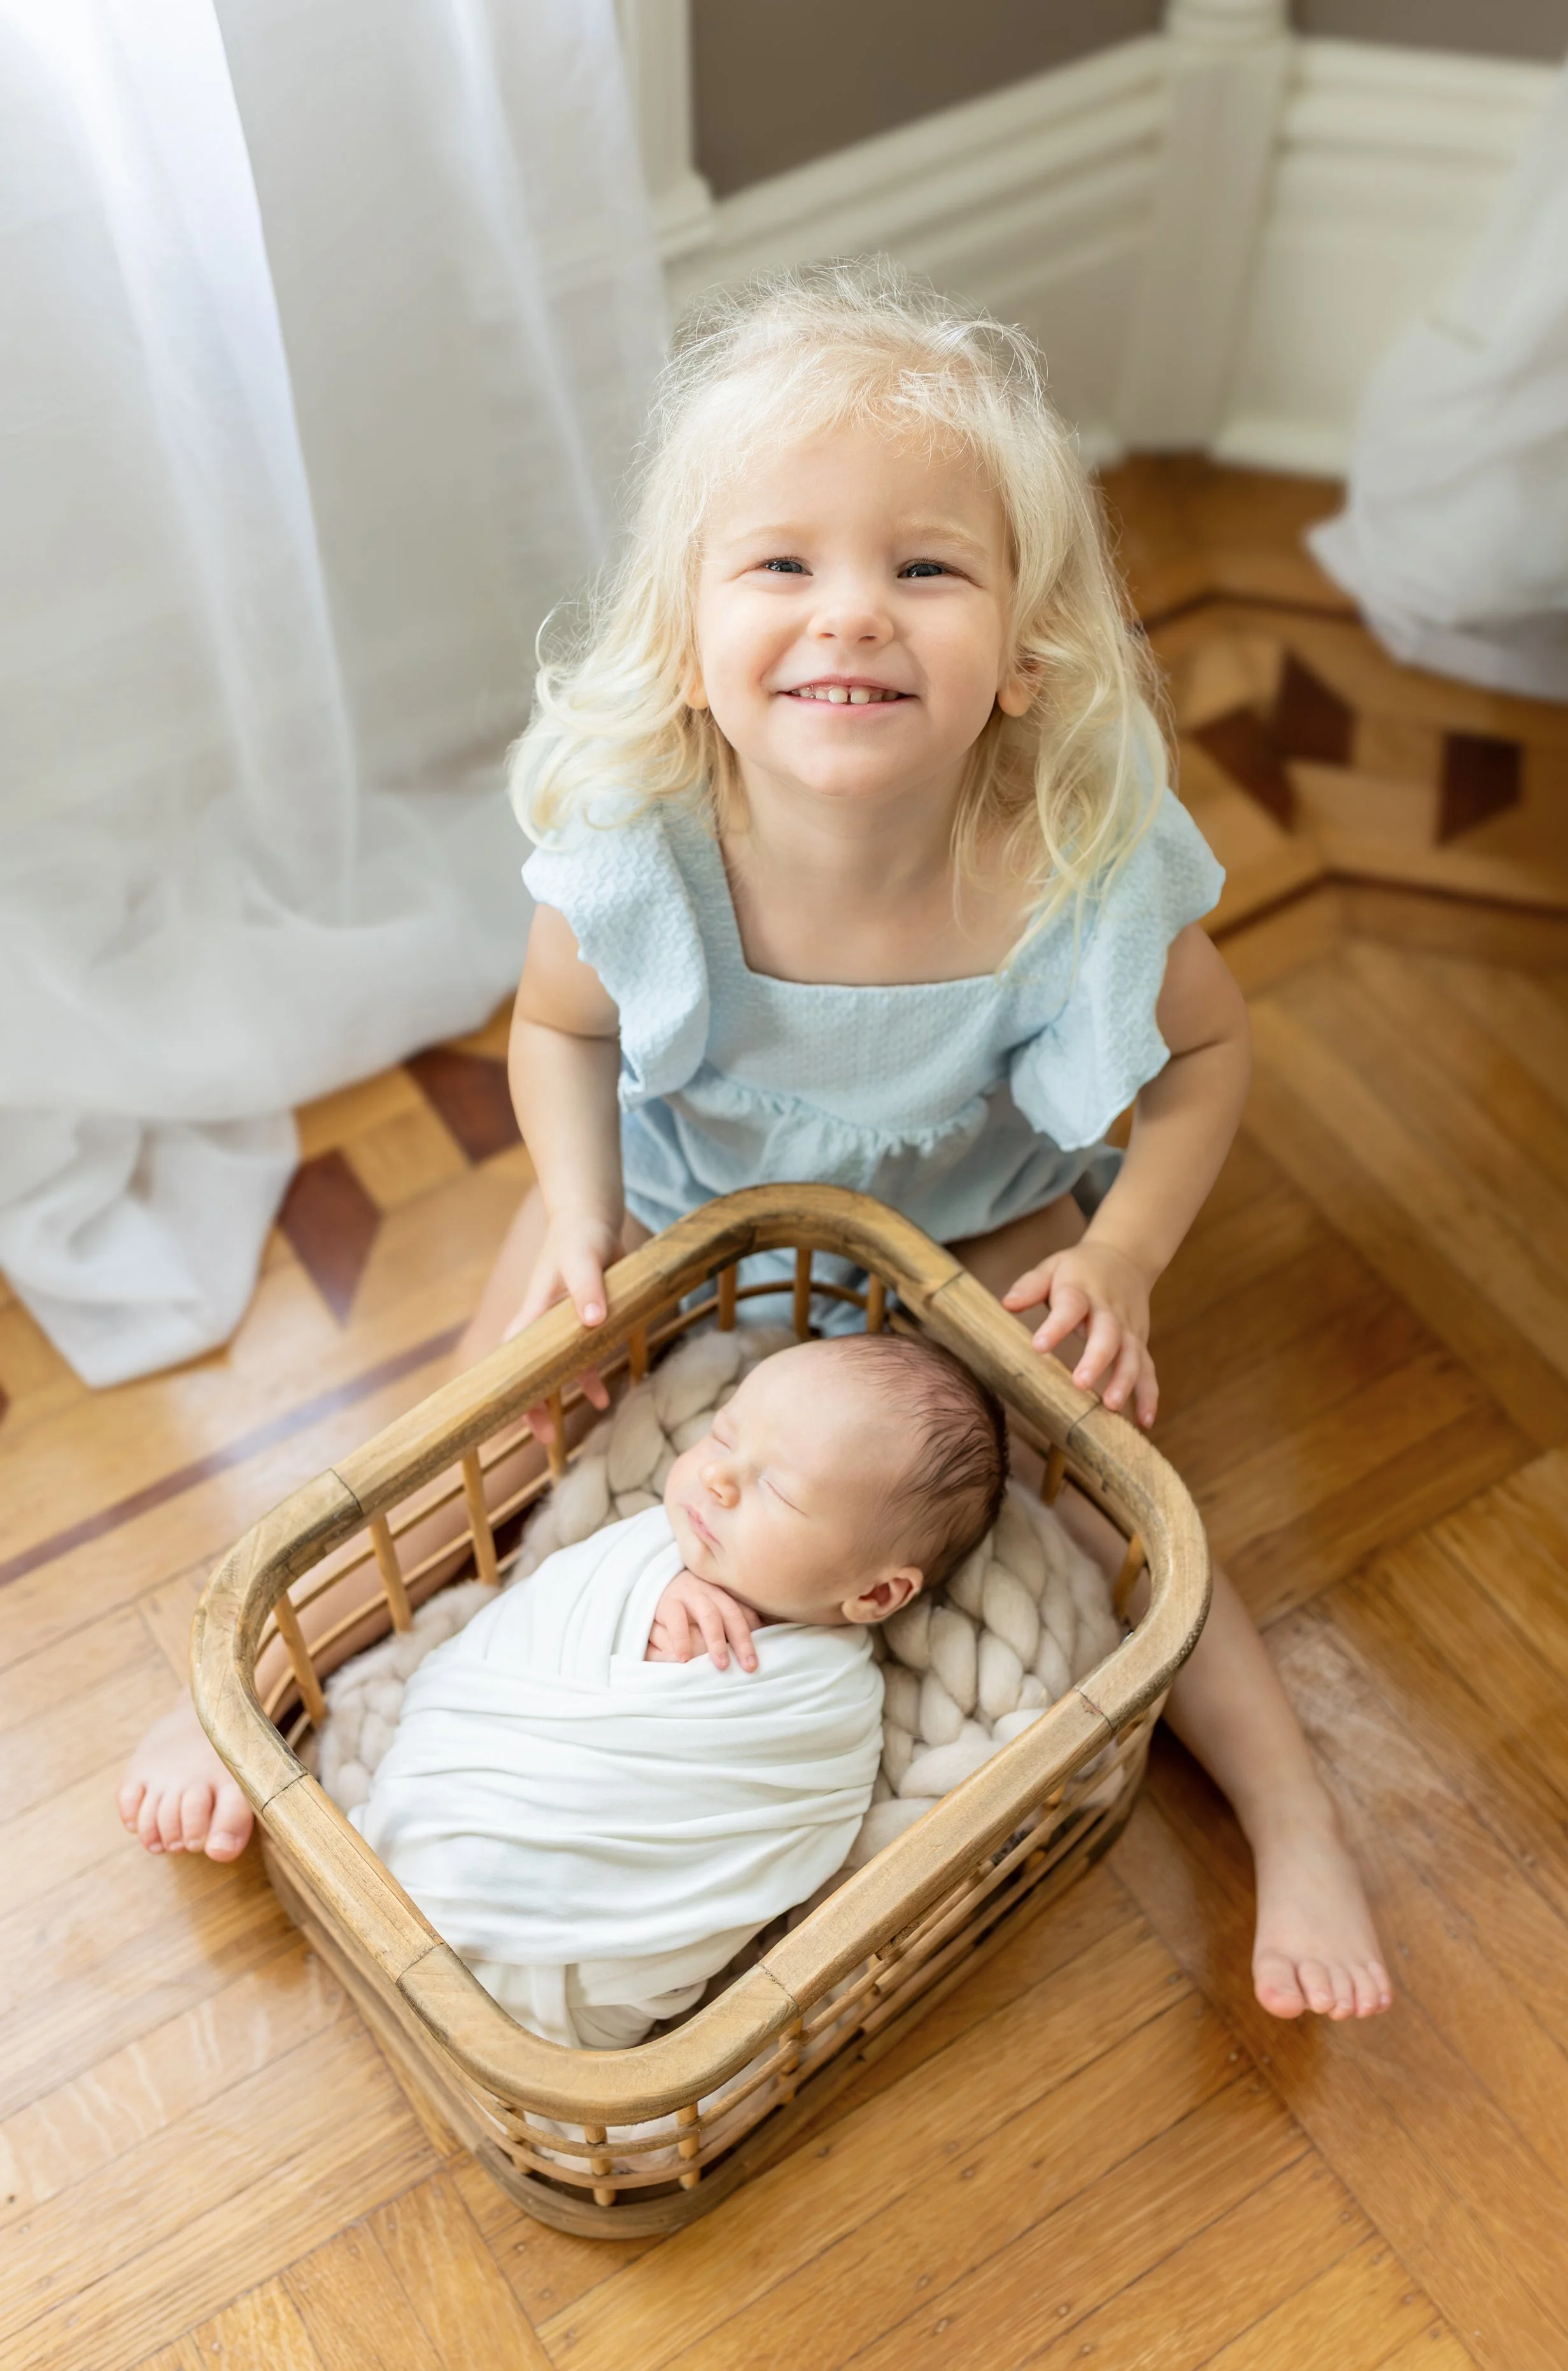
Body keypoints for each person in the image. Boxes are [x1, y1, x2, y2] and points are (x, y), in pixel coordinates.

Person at [120, 260, 1389, 2023]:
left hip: (977, 1218)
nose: (851, 613)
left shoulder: (1068, 860)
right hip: (666, 1196)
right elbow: (559, 1029)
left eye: (923, 568)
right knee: (476, 1423)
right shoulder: (645, 834)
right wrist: (578, 1212)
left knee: (1117, 1507)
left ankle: (1295, 1816)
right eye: (784, 565)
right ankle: (242, 1695)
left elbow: (1208, 1052)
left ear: (1027, 652)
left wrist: (1122, 1253)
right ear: (688, 634)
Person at [348, 1333, 1005, 2046]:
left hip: (563, 1969)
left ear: (876, 1594)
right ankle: (449, 1872)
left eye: (778, 1490)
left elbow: (759, 1844)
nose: (718, 1476)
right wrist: (641, 1599)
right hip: (444, 1788)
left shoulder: (825, 1708)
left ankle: (477, 1913)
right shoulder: (642, 1553)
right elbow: (536, 1614)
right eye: (723, 1434)